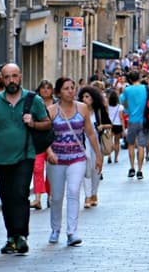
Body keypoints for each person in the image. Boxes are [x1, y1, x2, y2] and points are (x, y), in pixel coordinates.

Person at [0, 63, 51, 255]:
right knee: (6, 197)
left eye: (14, 76)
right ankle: (11, 237)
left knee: (20, 193)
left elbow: (47, 123)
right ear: (2, 79)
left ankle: (21, 236)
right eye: (7, 77)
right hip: (2, 158)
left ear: (20, 77)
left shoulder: (33, 100)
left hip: (26, 155)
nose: (11, 80)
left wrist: (33, 123)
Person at [45, 78, 103, 246]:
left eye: (72, 88)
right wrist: (49, 152)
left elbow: (90, 133)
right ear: (58, 92)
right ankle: (55, 229)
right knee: (56, 197)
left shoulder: (82, 108)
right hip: (57, 160)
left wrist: (98, 155)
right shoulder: (51, 111)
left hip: (77, 157)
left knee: (73, 191)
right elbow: (44, 136)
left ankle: (72, 232)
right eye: (66, 88)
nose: (70, 91)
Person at [79, 84, 111, 208]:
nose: (84, 99)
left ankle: (94, 193)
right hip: (83, 142)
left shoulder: (99, 110)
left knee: (96, 168)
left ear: (93, 98)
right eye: (83, 97)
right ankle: (87, 196)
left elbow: (109, 124)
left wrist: (102, 126)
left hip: (97, 142)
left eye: (87, 97)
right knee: (86, 167)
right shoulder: (79, 111)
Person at [30, 79, 55, 209]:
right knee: (37, 169)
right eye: (43, 88)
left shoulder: (56, 104)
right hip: (38, 141)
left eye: (48, 88)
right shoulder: (34, 103)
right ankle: (38, 198)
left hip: (53, 141)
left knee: (51, 171)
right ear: (39, 90)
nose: (45, 90)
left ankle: (50, 195)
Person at [121, 70, 149, 179]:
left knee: (131, 144)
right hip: (144, 120)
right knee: (141, 146)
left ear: (130, 79)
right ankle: (140, 170)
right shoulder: (146, 88)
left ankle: (132, 167)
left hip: (132, 120)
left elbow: (123, 101)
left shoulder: (127, 90)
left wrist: (127, 110)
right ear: (139, 77)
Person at [106, 89, 124, 164]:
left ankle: (109, 156)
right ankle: (116, 158)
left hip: (109, 125)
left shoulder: (107, 107)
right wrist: (123, 128)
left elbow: (106, 116)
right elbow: (121, 118)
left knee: (109, 141)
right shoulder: (120, 107)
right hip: (118, 125)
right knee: (117, 142)